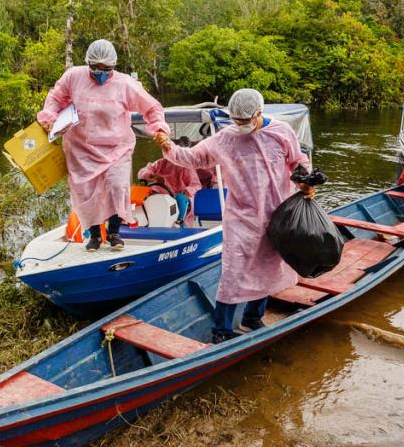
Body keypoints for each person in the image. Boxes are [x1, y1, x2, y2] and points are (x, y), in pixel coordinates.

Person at [154, 88, 313, 343]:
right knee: (233, 273)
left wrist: (306, 179)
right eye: (235, 120)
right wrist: (168, 146)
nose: (239, 125)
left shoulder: (281, 132)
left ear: (259, 113)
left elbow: (297, 161)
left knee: (267, 267)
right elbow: (193, 158)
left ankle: (252, 316)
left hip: (276, 214)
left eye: (244, 121)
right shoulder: (225, 138)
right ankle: (222, 330)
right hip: (240, 216)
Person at [37, 39, 170, 251]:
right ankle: (95, 236)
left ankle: (115, 232)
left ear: (113, 66)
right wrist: (49, 117)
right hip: (81, 148)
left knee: (116, 187)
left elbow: (152, 107)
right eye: (95, 68)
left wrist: (159, 129)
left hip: (116, 147)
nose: (100, 72)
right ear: (88, 63)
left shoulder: (125, 84)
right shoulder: (73, 77)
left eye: (106, 69)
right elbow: (55, 98)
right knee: (88, 193)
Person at [137, 137, 202, 225]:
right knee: (138, 194)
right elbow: (142, 172)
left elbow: (196, 185)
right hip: (158, 193)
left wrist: (187, 190)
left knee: (181, 199)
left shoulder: (186, 167)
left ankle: (179, 223)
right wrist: (151, 175)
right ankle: (138, 221)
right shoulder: (160, 163)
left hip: (177, 197)